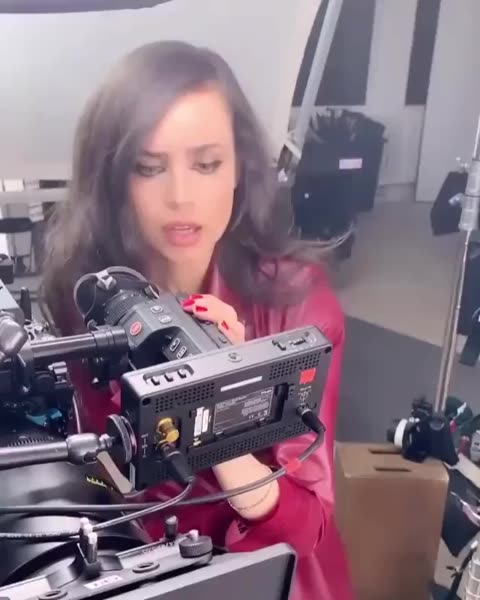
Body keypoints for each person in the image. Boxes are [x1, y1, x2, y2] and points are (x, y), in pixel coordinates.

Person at [41, 41, 353, 600]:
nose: (181, 197)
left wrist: (221, 402)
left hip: (276, 581)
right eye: (149, 168)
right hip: (146, 572)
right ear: (114, 179)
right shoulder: (86, 297)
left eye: (207, 164)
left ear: (239, 170)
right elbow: (105, 479)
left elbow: (307, 527)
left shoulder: (297, 302)